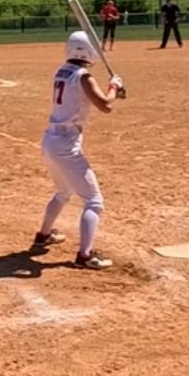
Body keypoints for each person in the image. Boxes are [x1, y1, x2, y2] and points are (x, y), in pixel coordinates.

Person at [32, 30, 125, 270]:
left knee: (63, 191)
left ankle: (44, 235)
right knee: (94, 201)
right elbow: (105, 105)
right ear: (89, 52)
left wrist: (114, 91)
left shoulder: (61, 71)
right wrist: (114, 86)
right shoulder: (84, 77)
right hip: (66, 145)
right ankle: (85, 255)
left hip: (50, 140)